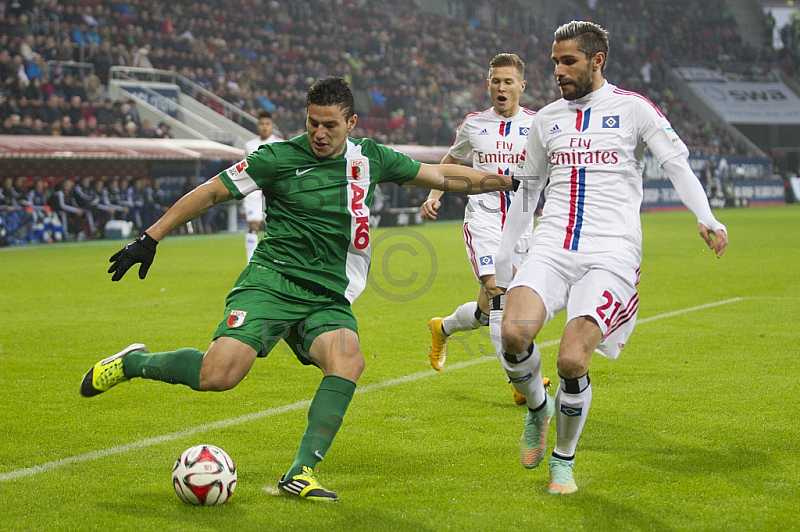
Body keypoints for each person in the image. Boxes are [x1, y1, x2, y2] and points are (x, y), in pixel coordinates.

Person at [80, 77, 512, 502]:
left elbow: (440, 174)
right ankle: (134, 362)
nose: (320, 134)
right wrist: (149, 238)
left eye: (330, 126)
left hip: (327, 294)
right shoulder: (276, 158)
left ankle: (300, 472)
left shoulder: (370, 159)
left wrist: (506, 181)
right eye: (312, 124)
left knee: (348, 361)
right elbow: (212, 192)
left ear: (352, 122)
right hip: (272, 281)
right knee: (218, 376)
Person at [494, 21, 728, 495]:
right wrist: (504, 253)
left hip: (611, 253)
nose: (558, 70)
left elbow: (674, 162)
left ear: (597, 60)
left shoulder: (632, 109)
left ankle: (563, 460)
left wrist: (706, 216)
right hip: (552, 245)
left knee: (572, 361)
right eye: (555, 62)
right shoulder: (547, 120)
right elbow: (529, 191)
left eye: (568, 61)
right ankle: (539, 409)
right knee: (512, 333)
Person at [419, 53, 539, 405]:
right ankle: (518, 382)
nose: (501, 87)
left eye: (507, 81)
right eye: (495, 81)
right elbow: (450, 162)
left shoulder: (539, 124)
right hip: (483, 220)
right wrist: (434, 194)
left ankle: (443, 327)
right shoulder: (474, 124)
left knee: (488, 311)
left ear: (521, 86)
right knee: (502, 294)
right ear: (488, 84)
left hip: (520, 226)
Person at [242, 110, 282, 262]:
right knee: (253, 224)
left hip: (272, 190)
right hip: (253, 190)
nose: (265, 127)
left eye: (268, 124)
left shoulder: (279, 143)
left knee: (270, 225)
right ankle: (250, 262)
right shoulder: (249, 145)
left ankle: (269, 260)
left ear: (272, 126)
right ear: (257, 126)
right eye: (262, 124)